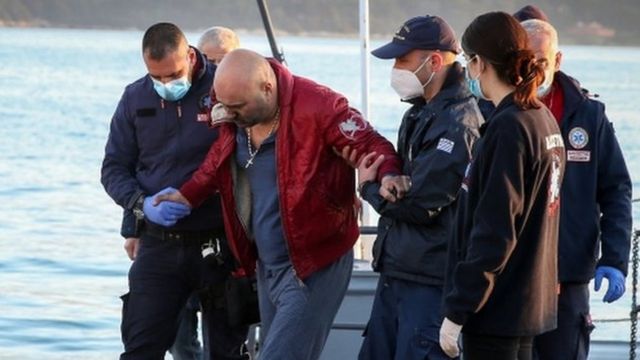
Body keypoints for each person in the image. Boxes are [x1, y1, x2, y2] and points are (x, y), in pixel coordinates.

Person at [153, 48, 407, 360]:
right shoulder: (234, 108)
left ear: (267, 88)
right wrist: (186, 196)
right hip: (266, 265)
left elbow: (371, 144)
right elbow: (217, 162)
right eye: (224, 106)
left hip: (313, 264)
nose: (228, 115)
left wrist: (388, 174)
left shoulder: (319, 105)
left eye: (237, 108)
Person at [101, 22, 248, 359]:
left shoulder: (224, 86)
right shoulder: (135, 96)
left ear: (191, 55)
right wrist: (141, 204)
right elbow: (113, 169)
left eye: (173, 74)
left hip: (220, 240)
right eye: (157, 78)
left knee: (227, 352)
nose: (166, 84)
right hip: (159, 242)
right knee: (141, 347)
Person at [438, 12, 566, 359]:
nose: (467, 70)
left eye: (468, 60)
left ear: (479, 62)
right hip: (527, 303)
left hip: (496, 309)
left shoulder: (509, 128)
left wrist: (458, 309)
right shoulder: (543, 119)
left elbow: (495, 230)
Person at [355, 15, 482, 360]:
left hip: (429, 280)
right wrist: (388, 181)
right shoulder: (420, 113)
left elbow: (421, 204)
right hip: (399, 271)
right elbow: (404, 188)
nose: (395, 69)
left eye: (403, 60)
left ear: (435, 61)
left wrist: (367, 188)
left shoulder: (457, 123)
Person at [519, 19, 632, 360]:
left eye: (540, 58)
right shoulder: (492, 110)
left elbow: (615, 190)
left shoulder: (588, 115)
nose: (532, 67)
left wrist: (614, 259)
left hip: (567, 279)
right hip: (511, 278)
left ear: (557, 60)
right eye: (523, 57)